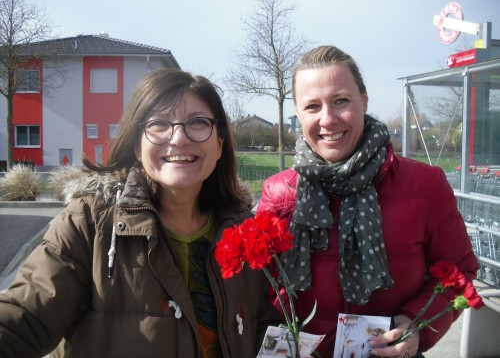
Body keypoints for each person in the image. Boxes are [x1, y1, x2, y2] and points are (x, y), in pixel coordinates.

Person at [0, 68, 282, 357]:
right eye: (160, 123)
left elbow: (265, 333)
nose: (179, 138)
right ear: (137, 145)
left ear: (219, 144)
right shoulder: (89, 224)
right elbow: (23, 319)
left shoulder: (242, 234)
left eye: (197, 122)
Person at [257, 45, 479, 358]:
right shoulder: (278, 192)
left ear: (364, 99)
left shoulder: (425, 185)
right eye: (312, 106)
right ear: (298, 112)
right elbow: (259, 290)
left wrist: (416, 323)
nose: (328, 119)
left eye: (341, 101)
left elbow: (461, 271)